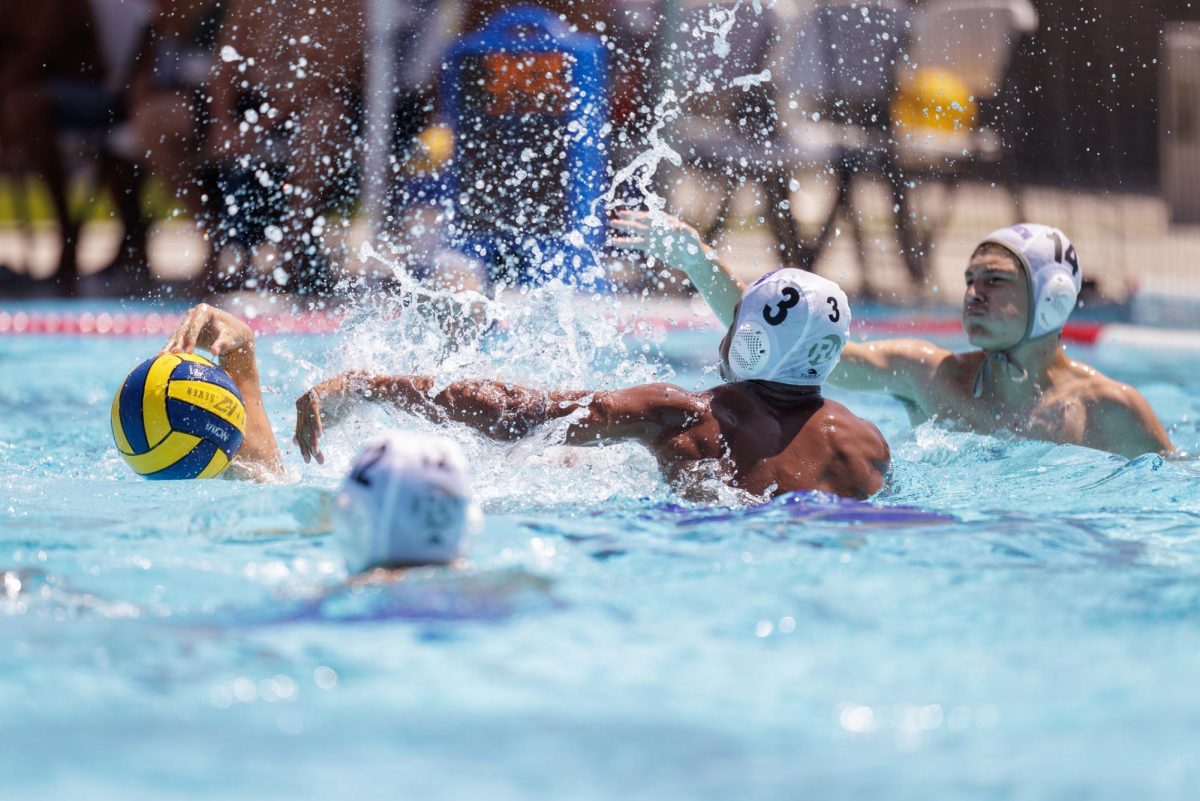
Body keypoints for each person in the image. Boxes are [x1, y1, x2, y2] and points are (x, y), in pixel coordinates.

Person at [610, 211, 1174, 459]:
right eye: (970, 279)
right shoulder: (928, 375)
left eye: (996, 281)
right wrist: (698, 261)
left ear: (1052, 299)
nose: (974, 293)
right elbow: (784, 338)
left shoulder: (1112, 411)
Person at [292, 269, 890, 500]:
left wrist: (373, 383)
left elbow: (515, 415)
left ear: (754, 340)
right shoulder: (866, 444)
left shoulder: (688, 416)